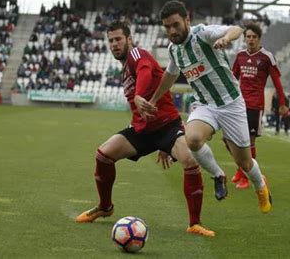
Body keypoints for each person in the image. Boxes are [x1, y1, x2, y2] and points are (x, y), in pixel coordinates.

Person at [76, 20, 215, 237]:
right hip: (142, 130)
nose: (114, 44)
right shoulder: (124, 68)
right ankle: (105, 207)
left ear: (129, 39)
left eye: (118, 39)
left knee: (189, 159)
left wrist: (140, 95)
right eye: (110, 40)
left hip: (167, 128)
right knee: (103, 154)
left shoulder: (137, 55)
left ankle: (194, 223)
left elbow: (146, 71)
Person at [139, 0, 272, 214]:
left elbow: (237, 29)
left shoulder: (203, 34)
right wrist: (153, 100)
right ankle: (218, 175)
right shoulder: (174, 50)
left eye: (175, 25)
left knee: (245, 163)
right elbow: (170, 75)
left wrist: (226, 38)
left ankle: (260, 186)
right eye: (167, 27)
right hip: (205, 105)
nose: (172, 31)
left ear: (187, 20)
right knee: (192, 139)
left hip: (231, 104)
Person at [230, 23, 288, 189]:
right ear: (244, 38)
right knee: (230, 140)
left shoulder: (267, 57)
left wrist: (282, 104)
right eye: (248, 36)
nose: (251, 40)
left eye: (254, 37)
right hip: (239, 104)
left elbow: (277, 81)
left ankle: (245, 177)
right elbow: (233, 78)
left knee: (249, 142)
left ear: (259, 38)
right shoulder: (240, 56)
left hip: (255, 105)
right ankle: (242, 170)